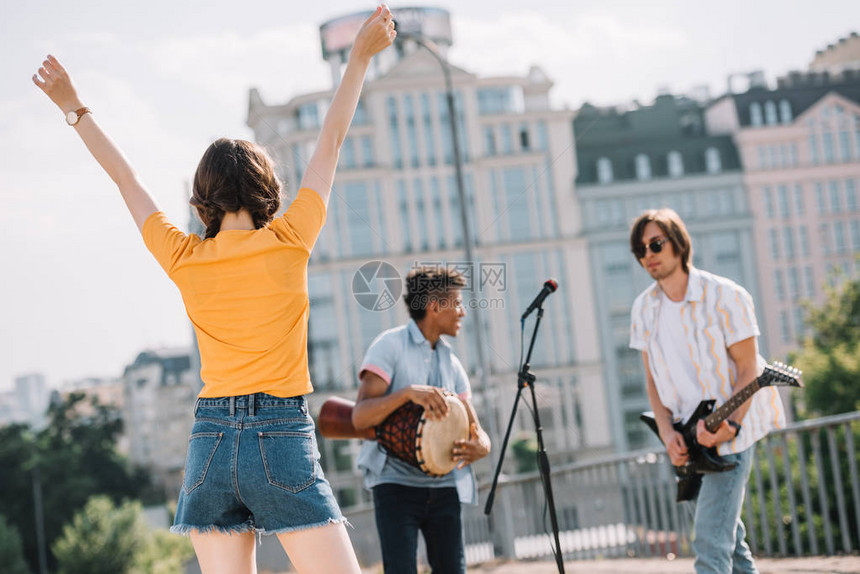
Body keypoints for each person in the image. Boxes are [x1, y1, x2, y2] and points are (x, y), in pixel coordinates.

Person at [32, 7, 396, 574]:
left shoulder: (184, 255)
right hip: (279, 434)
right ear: (267, 188)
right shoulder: (290, 238)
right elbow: (331, 144)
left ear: (203, 196)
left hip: (210, 442)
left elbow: (126, 179)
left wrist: (72, 106)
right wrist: (358, 58)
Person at [628, 208, 785, 574]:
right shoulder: (643, 309)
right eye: (640, 249)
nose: (648, 255)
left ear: (679, 244)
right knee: (731, 549)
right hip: (688, 438)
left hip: (731, 434)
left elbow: (749, 368)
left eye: (655, 244)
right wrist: (668, 434)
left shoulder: (725, 295)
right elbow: (652, 380)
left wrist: (729, 423)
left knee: (709, 544)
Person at [352, 265, 491, 574]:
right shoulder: (389, 345)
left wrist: (482, 444)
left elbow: (475, 428)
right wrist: (406, 394)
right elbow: (359, 417)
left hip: (444, 488)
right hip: (395, 486)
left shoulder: (451, 361)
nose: (462, 312)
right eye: (456, 302)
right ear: (435, 306)